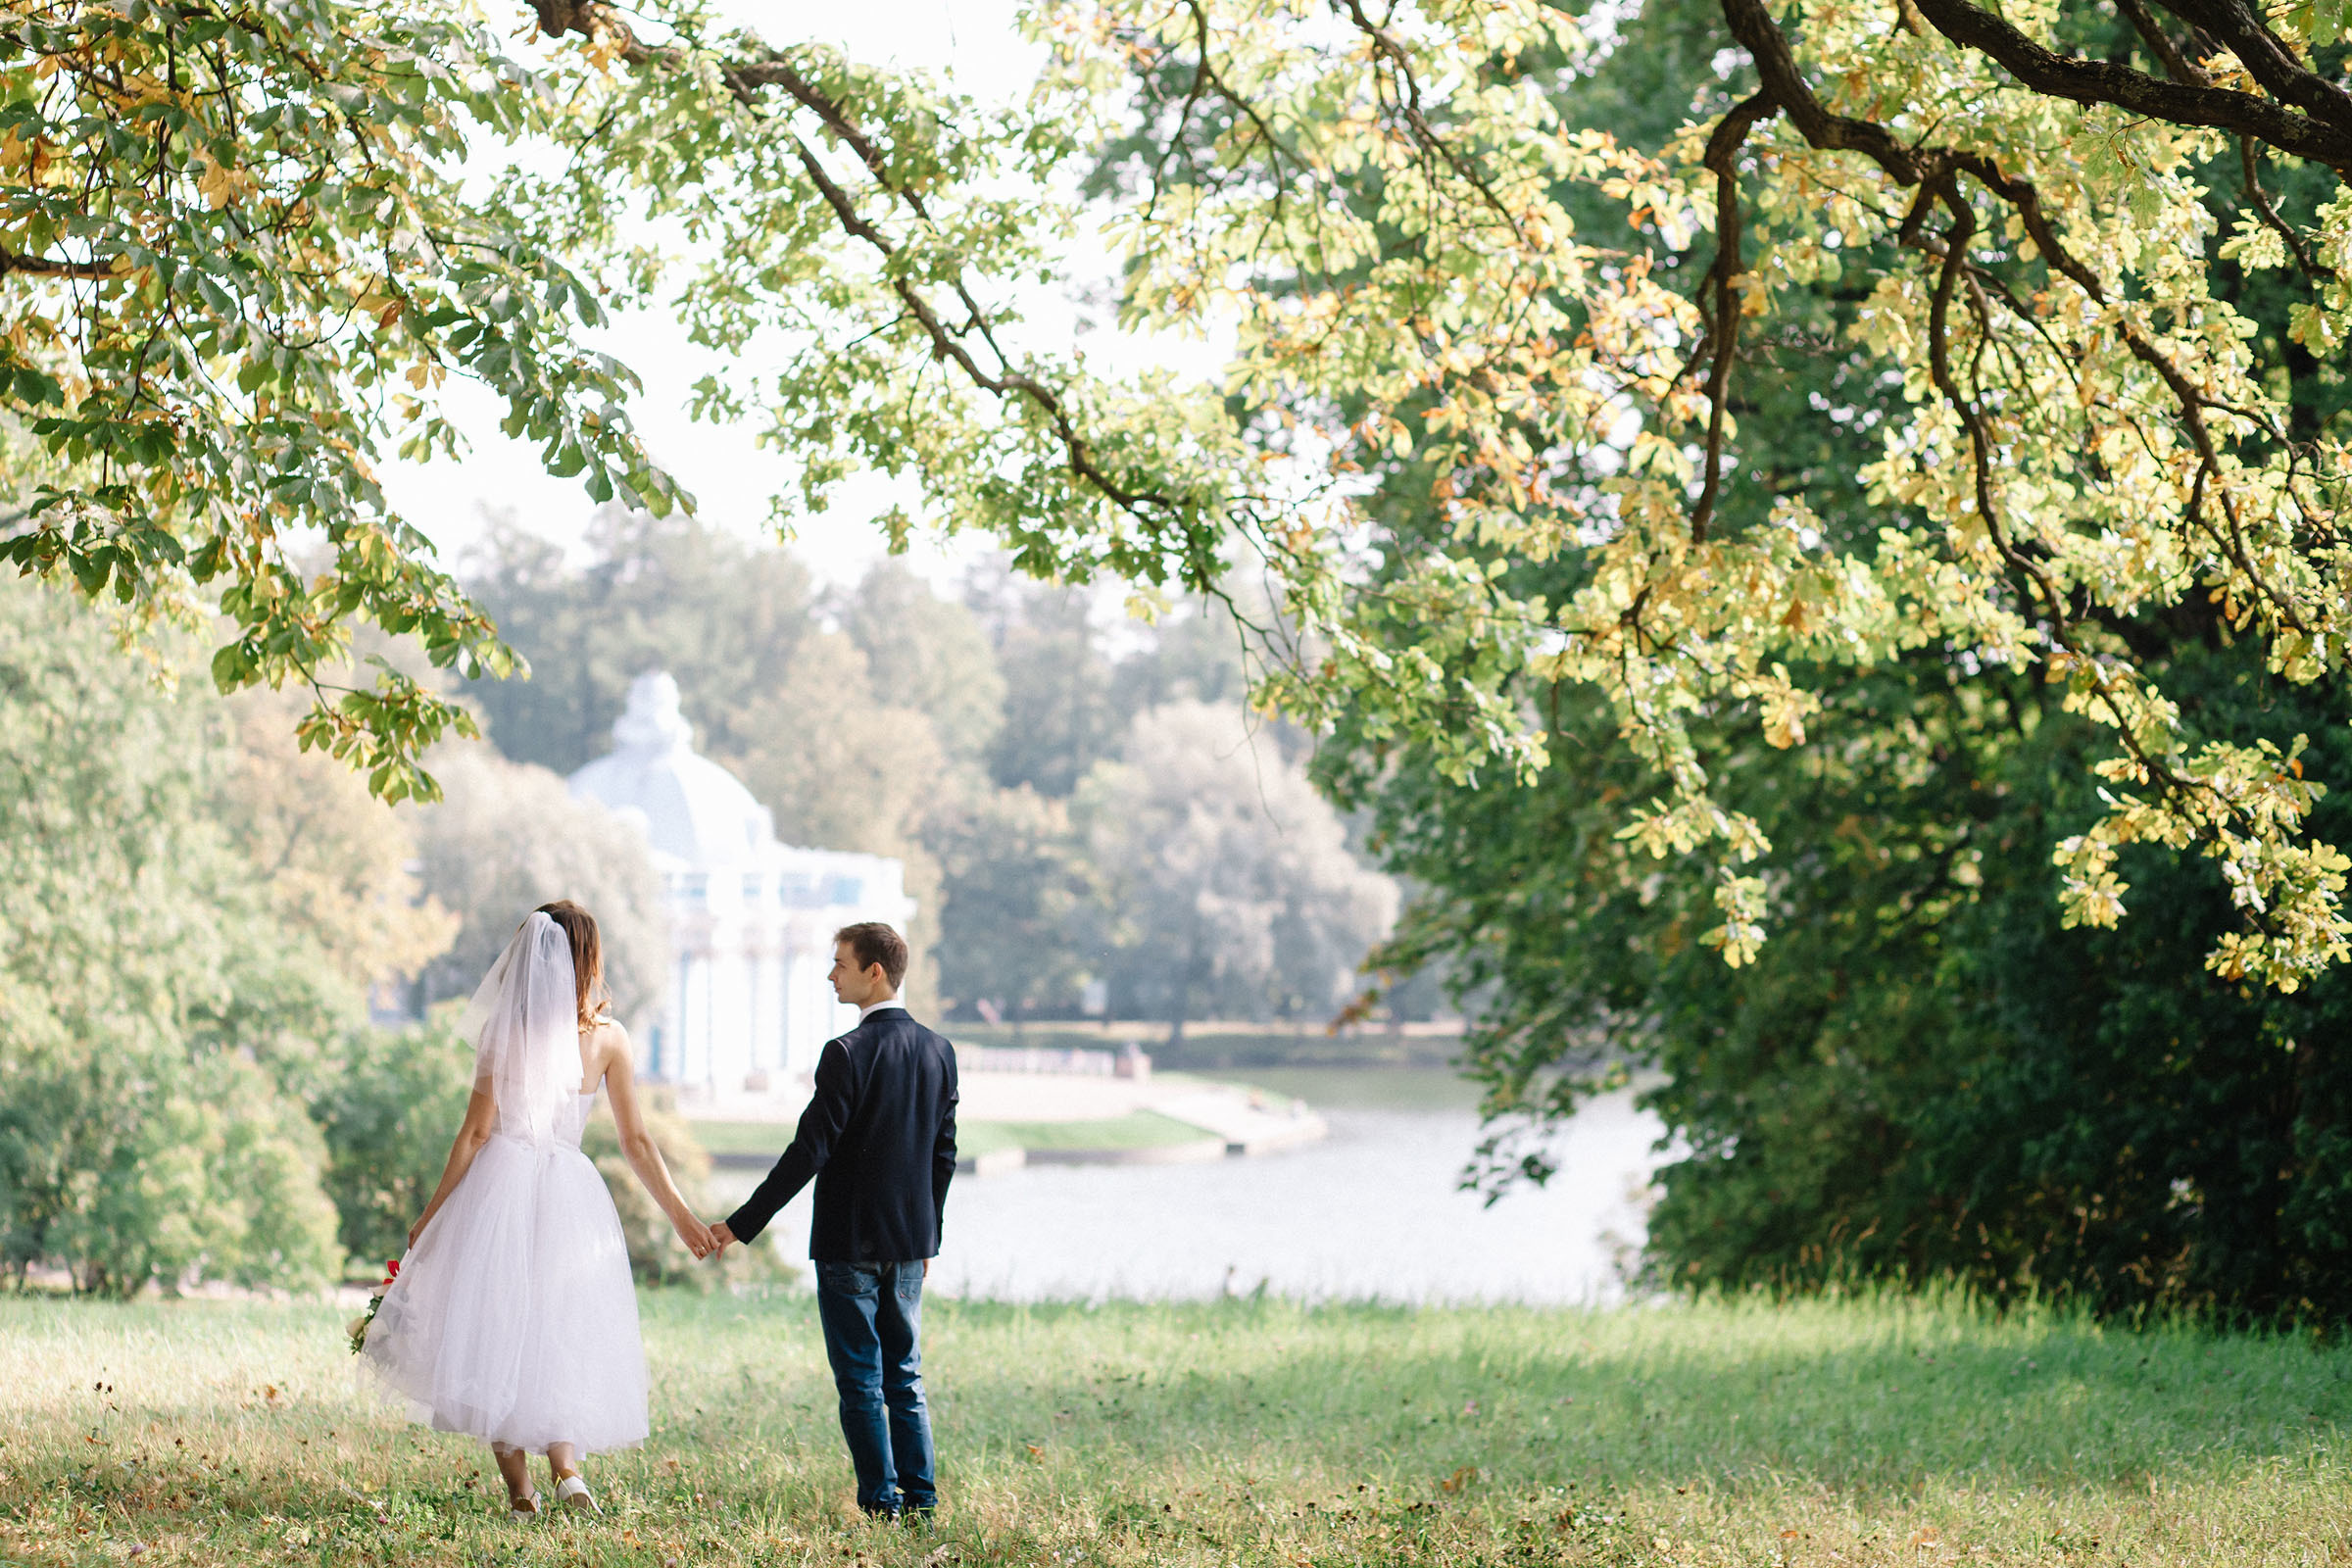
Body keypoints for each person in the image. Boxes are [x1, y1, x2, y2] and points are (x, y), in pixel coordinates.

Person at [362, 902, 717, 1519]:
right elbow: (636, 1141)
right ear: (588, 960)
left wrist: (431, 1214)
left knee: (495, 1329)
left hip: (501, 1185)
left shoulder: (507, 1032)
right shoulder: (609, 1039)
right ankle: (568, 1470)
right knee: (557, 1327)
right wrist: (683, 1216)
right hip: (568, 1189)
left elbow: (473, 1135)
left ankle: (521, 1491)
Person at [709, 922, 958, 1519]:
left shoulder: (845, 1052)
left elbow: (808, 1152)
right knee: (906, 1376)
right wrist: (931, 1236)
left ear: (876, 971)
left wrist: (740, 1224)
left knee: (862, 1382)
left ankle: (882, 1503)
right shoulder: (939, 1051)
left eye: (840, 964)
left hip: (849, 1242)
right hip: (908, 1244)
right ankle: (920, 1502)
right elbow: (943, 1153)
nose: (830, 975)